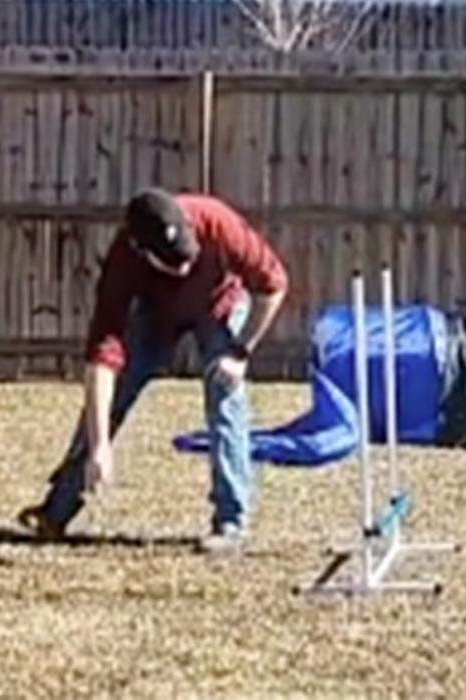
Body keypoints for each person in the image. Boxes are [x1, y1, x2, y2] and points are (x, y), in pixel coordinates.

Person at [16, 187, 289, 556]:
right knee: (112, 400)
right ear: (142, 252)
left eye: (189, 258)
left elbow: (274, 284)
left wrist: (241, 352)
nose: (185, 268)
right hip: (155, 315)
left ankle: (231, 522)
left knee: (224, 389)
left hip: (220, 306)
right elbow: (103, 357)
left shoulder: (217, 222)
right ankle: (56, 511)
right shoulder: (122, 263)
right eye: (174, 264)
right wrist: (99, 447)